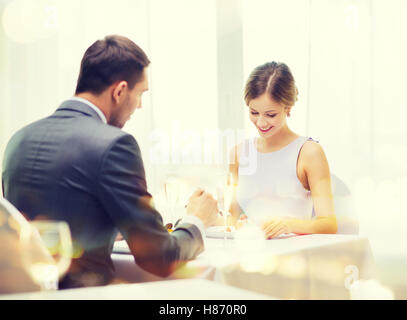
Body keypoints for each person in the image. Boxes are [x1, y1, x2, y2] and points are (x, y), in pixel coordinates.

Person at [1, 35, 218, 289]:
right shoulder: (115, 145)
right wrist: (196, 220)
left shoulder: (19, 139)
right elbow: (159, 257)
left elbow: (49, 222)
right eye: (140, 95)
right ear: (119, 91)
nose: (138, 107)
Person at [228, 61, 337, 238]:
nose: (261, 123)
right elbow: (232, 219)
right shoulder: (239, 153)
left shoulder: (309, 152)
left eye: (271, 115)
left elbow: (329, 224)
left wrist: (289, 225)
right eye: (254, 113)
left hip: (294, 259)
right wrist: (236, 224)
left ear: (288, 108)